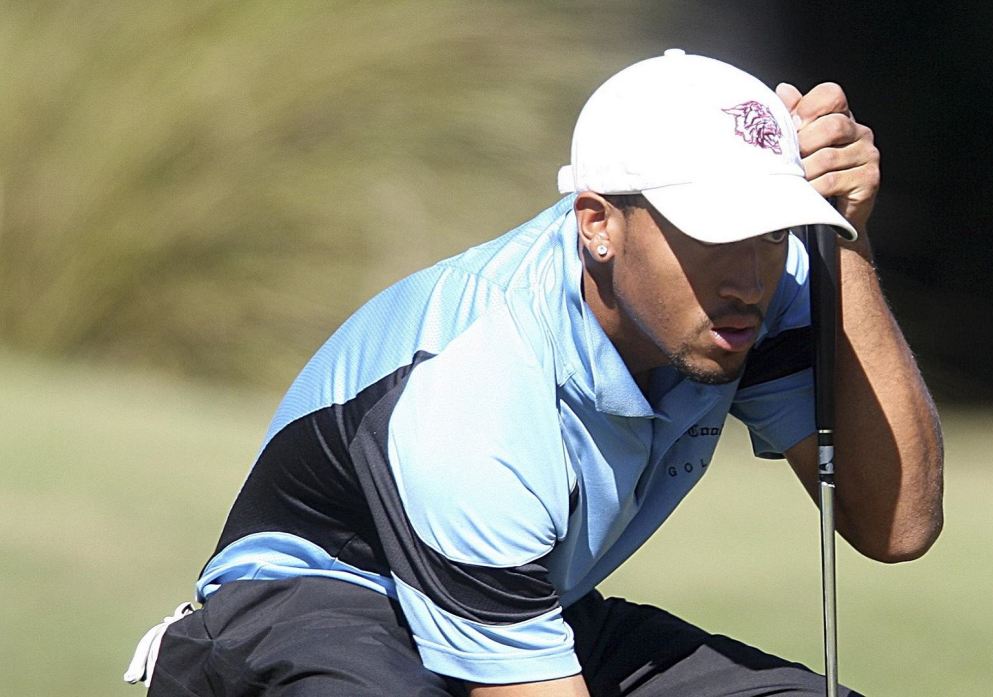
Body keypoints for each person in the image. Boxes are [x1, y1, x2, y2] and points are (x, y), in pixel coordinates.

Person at [125, 49, 943, 697]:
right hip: (311, 607)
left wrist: (845, 241)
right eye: (711, 233)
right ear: (599, 225)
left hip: (521, 604)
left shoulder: (750, 298)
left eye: (770, 230)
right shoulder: (478, 387)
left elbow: (896, 525)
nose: (747, 277)